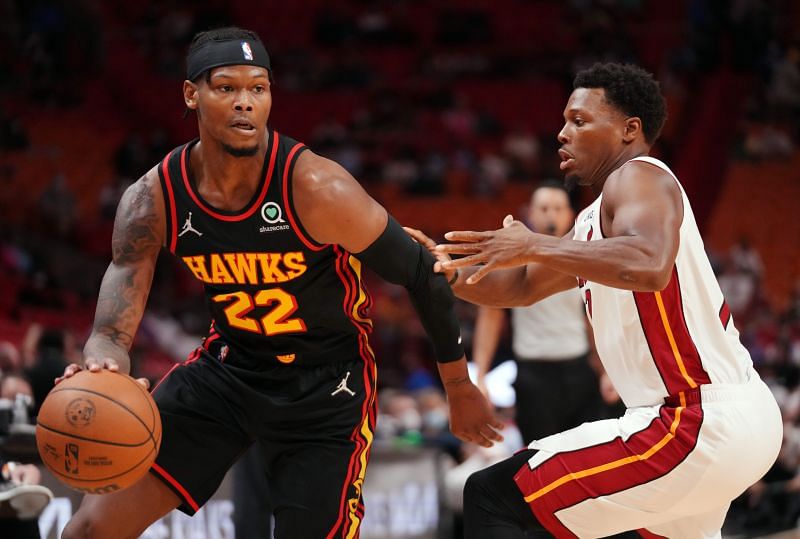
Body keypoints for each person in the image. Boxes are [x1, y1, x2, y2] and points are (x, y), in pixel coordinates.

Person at [57, 26, 501, 539]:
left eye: (258, 88)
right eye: (226, 88)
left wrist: (458, 386)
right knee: (88, 531)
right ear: (190, 94)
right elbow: (112, 326)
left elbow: (423, 273)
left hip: (326, 385)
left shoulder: (316, 186)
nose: (245, 102)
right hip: (230, 370)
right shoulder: (154, 198)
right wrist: (102, 364)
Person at [407, 62, 782, 538]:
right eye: (564, 120)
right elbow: (521, 287)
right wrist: (438, 271)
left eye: (580, 121)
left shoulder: (638, 176)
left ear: (630, 130)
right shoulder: (591, 223)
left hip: (694, 421)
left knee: (494, 496)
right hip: (723, 427)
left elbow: (648, 263)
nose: (562, 133)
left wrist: (534, 244)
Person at [472, 180, 606, 443]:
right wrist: (480, 376)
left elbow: (594, 319)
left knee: (584, 456)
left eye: (558, 208)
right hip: (533, 374)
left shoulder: (584, 255)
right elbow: (491, 315)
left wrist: (605, 371)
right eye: (543, 208)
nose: (551, 215)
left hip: (579, 371)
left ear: (570, 214)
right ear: (530, 213)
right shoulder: (510, 258)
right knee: (539, 457)